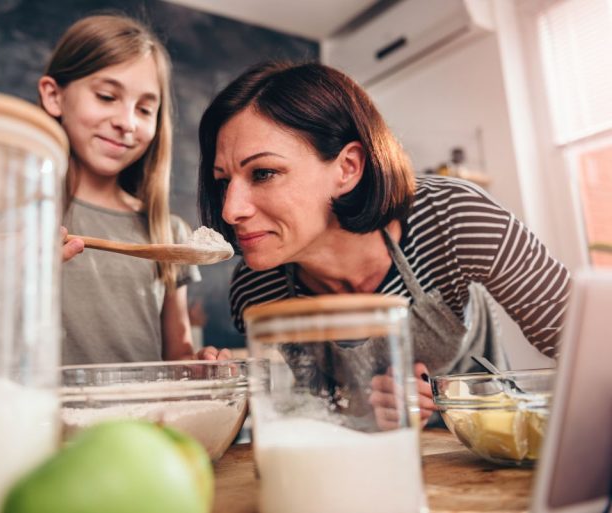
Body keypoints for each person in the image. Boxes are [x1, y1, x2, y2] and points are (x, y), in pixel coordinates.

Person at [196, 61, 570, 427]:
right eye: (223, 181)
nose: (230, 210)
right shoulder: (257, 289)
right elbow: (318, 410)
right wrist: (364, 413)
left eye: (263, 173)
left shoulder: (453, 216)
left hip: (488, 443)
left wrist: (444, 399)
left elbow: (584, 343)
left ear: (347, 168)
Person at [38, 14, 230, 364]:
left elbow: (178, 355)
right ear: (54, 97)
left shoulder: (169, 233)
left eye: (144, 109)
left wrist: (199, 366)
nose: (126, 123)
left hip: (142, 420)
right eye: (107, 96)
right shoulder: (13, 215)